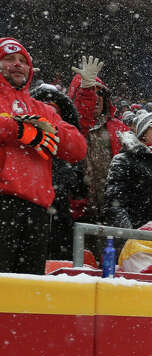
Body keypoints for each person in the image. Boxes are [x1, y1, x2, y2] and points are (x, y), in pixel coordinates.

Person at [0, 38, 87, 274]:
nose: (17, 65)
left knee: (27, 291)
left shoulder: (42, 109)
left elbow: (78, 148)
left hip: (36, 210)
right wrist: (17, 129)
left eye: (22, 61)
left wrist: (47, 128)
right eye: (9, 59)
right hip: (4, 203)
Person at [66, 55, 127, 232]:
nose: (97, 97)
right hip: (76, 215)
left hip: (112, 216)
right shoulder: (67, 127)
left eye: (101, 92)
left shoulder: (119, 129)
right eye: (91, 91)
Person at [29, 83, 84, 262]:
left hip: (61, 217)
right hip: (27, 213)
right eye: (43, 107)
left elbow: (79, 183)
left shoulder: (66, 147)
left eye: (53, 109)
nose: (48, 113)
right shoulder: (24, 140)